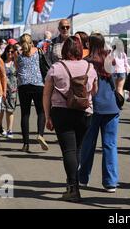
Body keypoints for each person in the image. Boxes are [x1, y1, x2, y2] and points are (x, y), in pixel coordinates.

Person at [43, 36, 97, 202]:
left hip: (62, 112)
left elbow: (46, 94)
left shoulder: (56, 68)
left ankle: (72, 188)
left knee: (68, 150)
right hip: (84, 112)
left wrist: (47, 116)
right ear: (80, 49)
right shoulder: (90, 67)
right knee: (77, 149)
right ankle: (74, 185)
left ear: (64, 49)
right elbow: (94, 91)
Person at [78, 32, 120, 192]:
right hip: (110, 105)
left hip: (92, 105)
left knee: (88, 144)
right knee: (110, 144)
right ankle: (110, 181)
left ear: (89, 43)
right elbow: (118, 77)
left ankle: (83, 177)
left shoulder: (86, 62)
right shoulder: (110, 59)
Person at [16, 33, 48, 152]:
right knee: (41, 111)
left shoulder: (18, 54)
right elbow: (44, 66)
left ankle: (25, 144)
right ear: (31, 41)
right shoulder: (38, 51)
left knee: (25, 114)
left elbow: (18, 69)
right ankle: (40, 134)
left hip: (23, 85)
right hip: (38, 84)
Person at [0, 44, 18, 139]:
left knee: (10, 110)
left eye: (12, 52)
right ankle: (0, 126)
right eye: (8, 51)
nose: (10, 53)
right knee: (1, 110)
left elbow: (20, 75)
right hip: (2, 90)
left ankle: (10, 130)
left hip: (13, 90)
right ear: (5, 52)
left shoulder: (16, 63)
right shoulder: (1, 62)